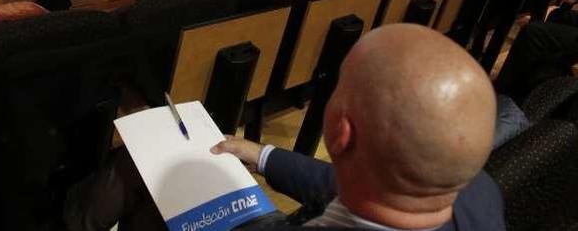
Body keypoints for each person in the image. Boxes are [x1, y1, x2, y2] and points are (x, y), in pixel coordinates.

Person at [65, 25, 504, 230]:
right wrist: (260, 154)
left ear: (340, 132)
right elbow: (342, 180)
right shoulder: (478, 190)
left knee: (140, 168)